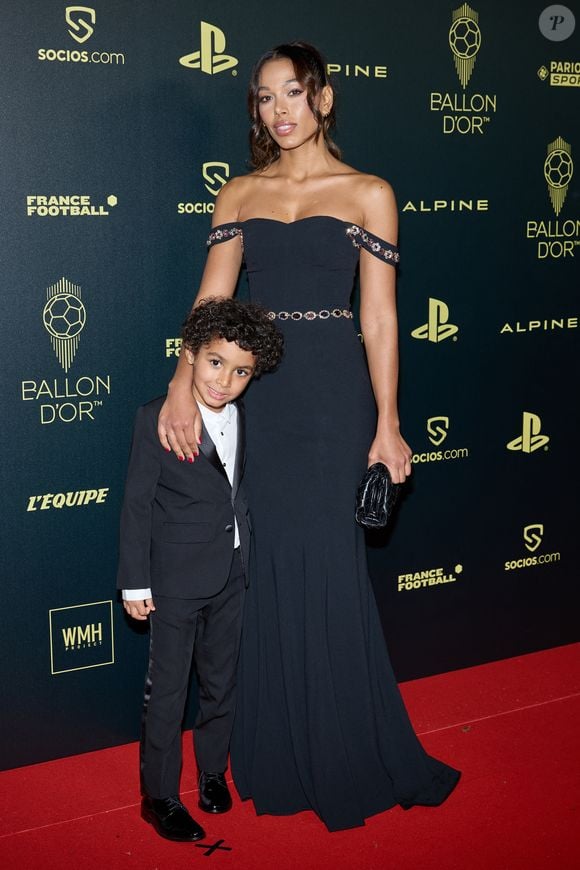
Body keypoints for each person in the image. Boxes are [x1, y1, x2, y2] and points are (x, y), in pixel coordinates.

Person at [158, 42, 460, 832]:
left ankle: (340, 743)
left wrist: (388, 424)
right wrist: (182, 388)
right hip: (259, 400)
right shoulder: (239, 193)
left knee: (327, 561)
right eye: (264, 97)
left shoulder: (368, 193)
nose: (279, 109)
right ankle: (271, 748)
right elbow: (210, 303)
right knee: (255, 565)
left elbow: (381, 316)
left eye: (293, 92)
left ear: (324, 99)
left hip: (332, 398)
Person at [117, 298, 283, 842]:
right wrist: (135, 582)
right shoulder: (156, 417)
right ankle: (159, 796)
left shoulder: (243, 417)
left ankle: (214, 772)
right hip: (173, 583)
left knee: (220, 682)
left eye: (241, 371)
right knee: (166, 691)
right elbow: (137, 505)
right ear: (190, 355)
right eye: (216, 362)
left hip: (232, 572)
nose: (226, 380)